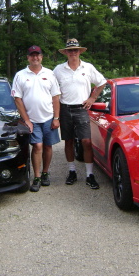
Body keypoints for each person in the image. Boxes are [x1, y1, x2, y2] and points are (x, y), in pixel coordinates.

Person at [53, 38, 106, 189]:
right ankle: (72, 171)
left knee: (86, 142)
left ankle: (89, 174)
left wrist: (92, 97)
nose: (73, 53)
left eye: (75, 50)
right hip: (64, 108)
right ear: (66, 53)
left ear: (79, 51)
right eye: (70, 50)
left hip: (82, 108)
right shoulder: (58, 69)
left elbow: (101, 82)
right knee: (68, 141)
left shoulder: (87, 67)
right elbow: (52, 88)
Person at [12, 45, 61, 192]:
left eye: (38, 55)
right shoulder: (21, 75)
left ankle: (46, 173)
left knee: (47, 146)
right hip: (32, 120)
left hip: (48, 117)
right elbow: (17, 98)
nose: (35, 57)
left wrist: (57, 117)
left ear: (41, 57)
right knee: (37, 146)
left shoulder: (50, 74)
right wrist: (26, 119)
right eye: (32, 55)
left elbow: (56, 97)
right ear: (28, 57)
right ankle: (37, 177)